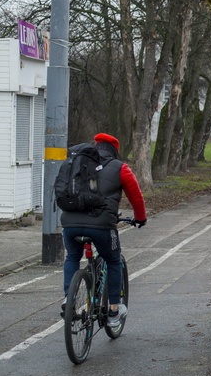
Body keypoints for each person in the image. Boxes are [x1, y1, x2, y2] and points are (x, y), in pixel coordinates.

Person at [61, 133, 147, 327]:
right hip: (101, 226)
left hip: (70, 224)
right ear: (114, 150)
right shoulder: (120, 168)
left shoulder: (75, 162)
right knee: (114, 260)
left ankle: (69, 299)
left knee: (72, 257)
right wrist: (140, 218)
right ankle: (114, 310)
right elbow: (136, 197)